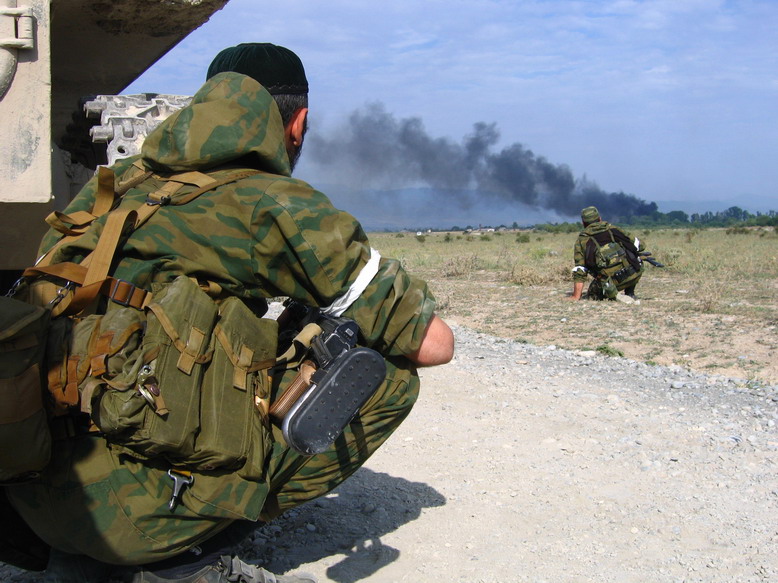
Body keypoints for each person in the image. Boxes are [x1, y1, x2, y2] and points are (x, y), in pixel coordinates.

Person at [3, 43, 454, 583]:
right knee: (390, 374)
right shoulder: (269, 202)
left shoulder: (113, 188)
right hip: (127, 526)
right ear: (297, 124)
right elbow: (434, 344)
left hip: (25, 493)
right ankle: (183, 559)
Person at [569, 206, 645, 301]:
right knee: (634, 257)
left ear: (583, 223)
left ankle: (614, 295)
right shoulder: (614, 229)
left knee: (591, 295)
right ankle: (629, 292)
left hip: (610, 283)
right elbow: (640, 246)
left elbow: (580, 270)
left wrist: (576, 296)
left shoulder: (582, 240)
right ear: (600, 219)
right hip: (634, 274)